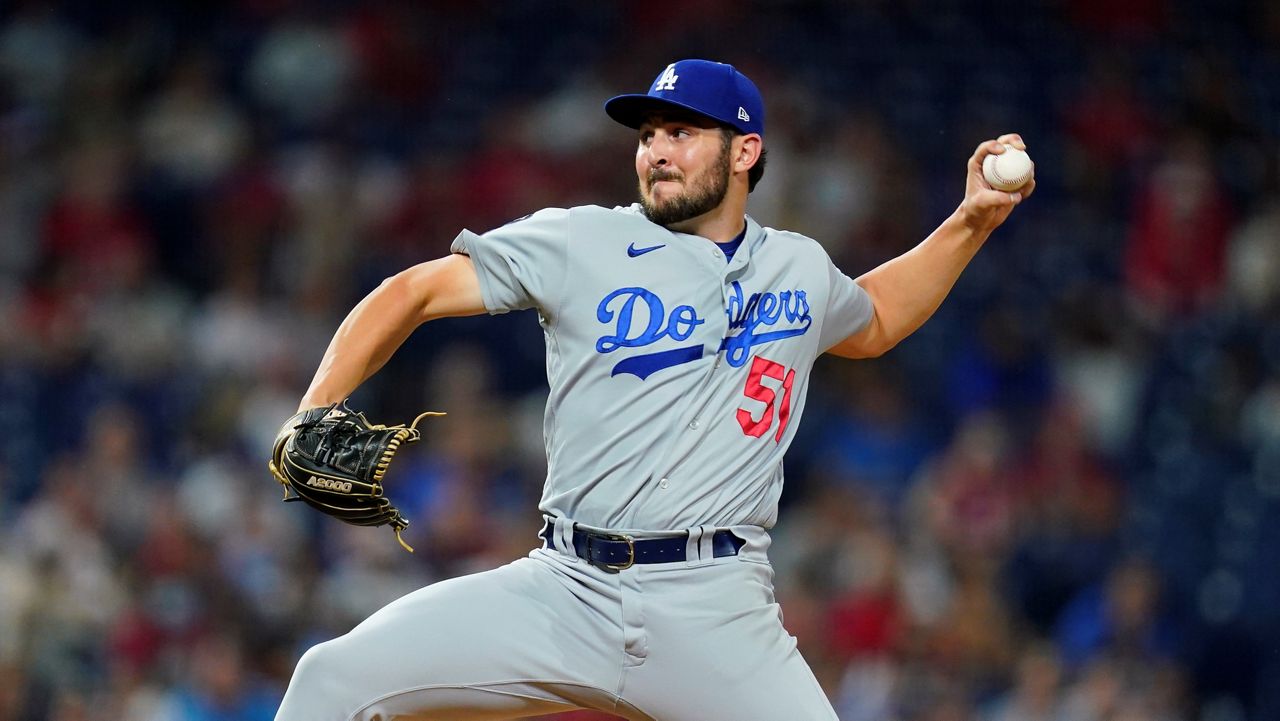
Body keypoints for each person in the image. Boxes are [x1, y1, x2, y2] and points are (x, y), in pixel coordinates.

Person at [273, 58, 1034, 720]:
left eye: (681, 132)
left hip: (716, 605)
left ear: (746, 152)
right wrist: (312, 409)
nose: (657, 152)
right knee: (331, 679)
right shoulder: (581, 240)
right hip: (563, 587)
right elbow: (411, 292)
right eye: (647, 135)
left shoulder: (798, 267)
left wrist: (970, 222)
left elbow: (875, 319)